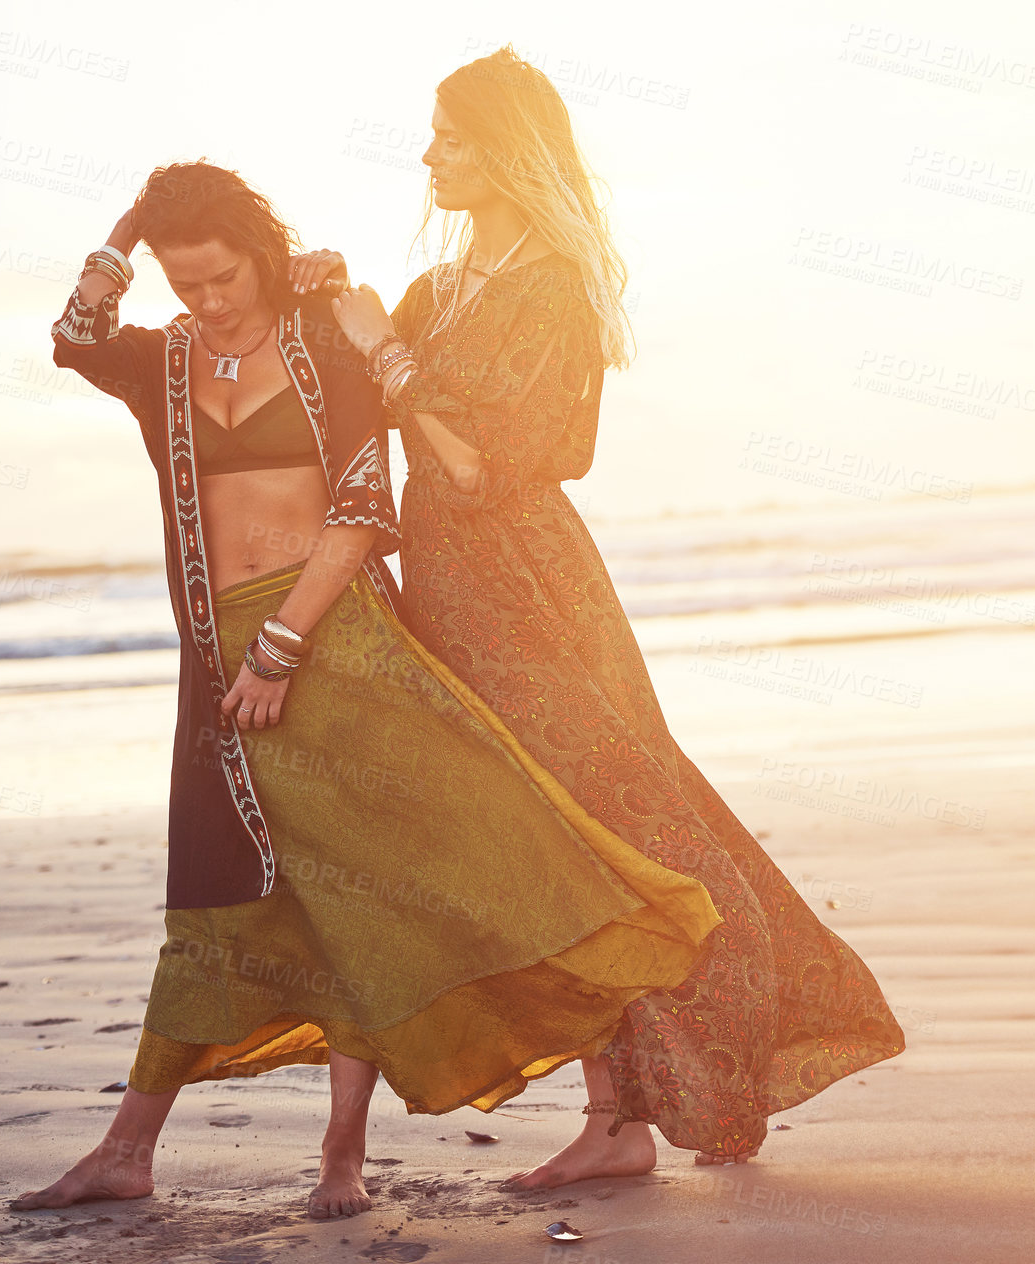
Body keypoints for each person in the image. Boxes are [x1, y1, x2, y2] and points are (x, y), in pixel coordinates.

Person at [12, 161, 722, 1218]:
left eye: (224, 277)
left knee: (378, 897)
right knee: (215, 906)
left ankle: (350, 1159)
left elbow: (360, 504)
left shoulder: (322, 342)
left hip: (335, 644)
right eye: (186, 282)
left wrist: (283, 649)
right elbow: (73, 334)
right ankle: (126, 1150)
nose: (209, 300)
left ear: (261, 253)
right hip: (218, 656)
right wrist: (124, 229)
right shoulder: (161, 361)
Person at [311, 46, 906, 1186]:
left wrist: (384, 348)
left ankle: (718, 1056)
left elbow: (488, 469)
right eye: (431, 133)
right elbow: (383, 432)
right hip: (441, 588)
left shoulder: (551, 293)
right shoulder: (440, 290)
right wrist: (326, 308)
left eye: (451, 133)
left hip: (530, 591)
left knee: (621, 824)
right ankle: (613, 1115)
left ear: (508, 146)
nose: (430, 153)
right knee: (537, 845)